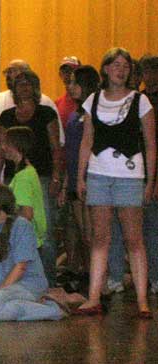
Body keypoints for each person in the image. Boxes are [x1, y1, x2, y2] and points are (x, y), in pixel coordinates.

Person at [75, 48, 156, 318]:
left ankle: (142, 301)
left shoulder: (140, 101)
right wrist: (80, 176)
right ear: (106, 69)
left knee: (134, 238)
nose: (121, 70)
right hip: (99, 174)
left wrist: (150, 182)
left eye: (125, 66)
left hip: (130, 176)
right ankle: (94, 298)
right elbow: (87, 140)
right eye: (116, 65)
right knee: (100, 238)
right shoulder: (93, 99)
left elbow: (151, 144)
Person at [0, 184, 65, 321]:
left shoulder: (22, 226)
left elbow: (21, 267)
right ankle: (13, 308)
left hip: (27, 285)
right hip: (0, 288)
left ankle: (53, 310)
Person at [0, 70, 62, 286]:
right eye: (19, 84)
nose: (24, 87)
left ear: (35, 87)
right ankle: (18, 279)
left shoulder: (46, 113)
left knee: (44, 230)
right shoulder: (6, 116)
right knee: (12, 228)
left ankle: (48, 281)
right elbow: (0, 150)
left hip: (42, 175)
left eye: (28, 83)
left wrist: (57, 177)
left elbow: (55, 147)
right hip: (12, 176)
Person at [106, 54, 158, 294]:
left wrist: (154, 181)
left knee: (150, 229)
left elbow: (153, 144)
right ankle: (116, 276)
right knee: (118, 227)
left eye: (152, 71)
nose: (147, 76)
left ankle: (154, 277)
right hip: (123, 172)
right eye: (143, 71)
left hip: (147, 173)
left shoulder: (145, 103)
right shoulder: (128, 99)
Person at [58, 66, 100, 281]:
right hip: (75, 179)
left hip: (91, 179)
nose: (70, 86)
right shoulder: (75, 114)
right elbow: (70, 152)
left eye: (74, 82)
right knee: (84, 234)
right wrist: (66, 184)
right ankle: (88, 274)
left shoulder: (96, 113)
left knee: (93, 235)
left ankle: (100, 280)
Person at [0, 59, 64, 153]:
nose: (8, 75)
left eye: (13, 71)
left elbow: (57, 144)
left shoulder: (46, 103)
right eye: (7, 72)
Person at [2, 127, 46, 250]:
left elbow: (26, 214)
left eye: (6, 143)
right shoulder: (29, 171)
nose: (3, 147)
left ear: (16, 146)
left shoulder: (23, 177)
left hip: (25, 242)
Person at [55, 56, 81, 129]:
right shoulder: (57, 104)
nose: (68, 75)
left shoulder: (88, 101)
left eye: (72, 71)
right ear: (60, 75)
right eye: (65, 71)